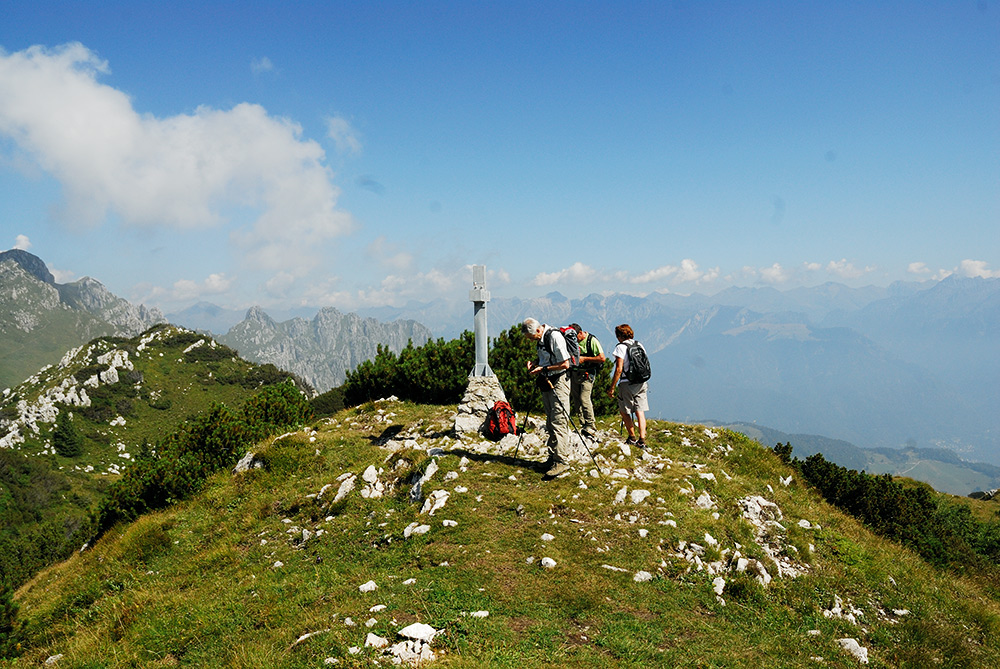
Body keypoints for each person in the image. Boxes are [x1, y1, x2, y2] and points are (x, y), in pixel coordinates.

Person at [522, 317, 572, 477]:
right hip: (547, 380)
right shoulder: (541, 339)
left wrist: (543, 368)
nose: (531, 341)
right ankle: (553, 457)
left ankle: (561, 461)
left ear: (537, 330)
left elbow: (565, 364)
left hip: (559, 381)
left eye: (531, 338)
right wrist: (535, 364)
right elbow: (546, 358)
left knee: (559, 421)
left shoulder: (554, 337)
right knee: (550, 421)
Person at [606, 323, 648, 448]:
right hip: (641, 382)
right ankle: (642, 439)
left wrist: (612, 386)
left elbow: (619, 369)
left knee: (625, 411)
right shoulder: (639, 345)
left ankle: (632, 437)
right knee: (639, 410)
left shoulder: (620, 347)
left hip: (626, 382)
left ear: (619, 336)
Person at [569, 323, 605, 438]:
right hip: (575, 373)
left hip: (587, 374)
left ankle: (590, 424)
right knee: (576, 399)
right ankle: (583, 424)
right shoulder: (572, 341)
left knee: (584, 398)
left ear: (580, 333)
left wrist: (585, 359)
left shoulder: (591, 341)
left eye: (576, 337)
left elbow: (602, 358)